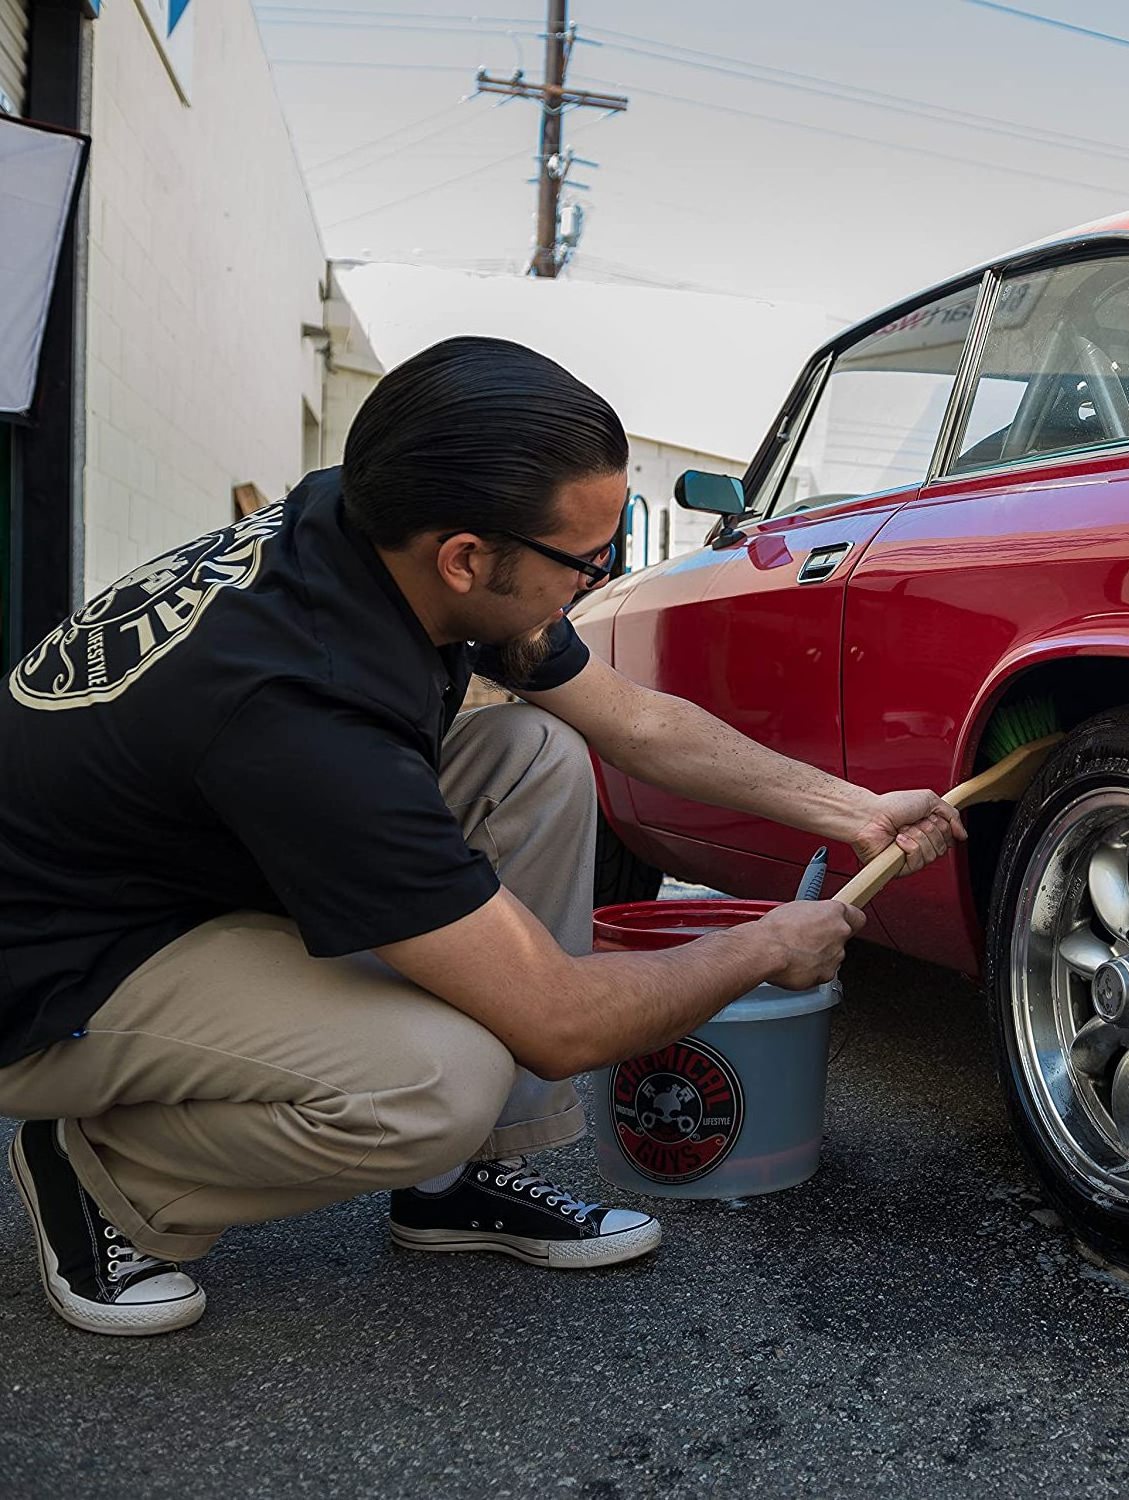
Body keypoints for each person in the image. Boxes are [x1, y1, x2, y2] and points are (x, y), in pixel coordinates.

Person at [0, 336, 964, 1337]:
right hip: (59, 966)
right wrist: (767, 943)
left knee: (536, 752)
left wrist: (852, 810)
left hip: (184, 853)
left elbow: (631, 722)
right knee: (434, 1079)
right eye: (586, 562)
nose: (595, 581)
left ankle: (462, 1185)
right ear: (464, 557)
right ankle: (104, 1179)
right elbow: (561, 1022)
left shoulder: (375, 512)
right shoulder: (302, 713)